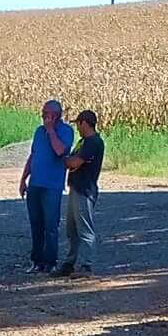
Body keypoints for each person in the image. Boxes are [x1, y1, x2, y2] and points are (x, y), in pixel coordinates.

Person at [19, 99, 73, 271]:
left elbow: (60, 151)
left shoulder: (66, 131)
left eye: (45, 114)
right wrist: (23, 179)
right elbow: (33, 155)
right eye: (42, 114)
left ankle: (50, 262)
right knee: (36, 224)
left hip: (52, 186)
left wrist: (51, 131)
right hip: (35, 184)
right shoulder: (38, 131)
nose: (43, 118)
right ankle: (36, 261)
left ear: (55, 116)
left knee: (50, 225)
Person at [59, 110, 106, 275]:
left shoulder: (93, 143)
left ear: (84, 123)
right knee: (71, 230)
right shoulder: (83, 142)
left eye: (78, 123)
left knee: (85, 229)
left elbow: (74, 161)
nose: (77, 127)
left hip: (84, 189)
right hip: (75, 187)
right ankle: (69, 263)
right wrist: (71, 162)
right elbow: (73, 162)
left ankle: (87, 264)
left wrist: (68, 162)